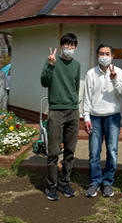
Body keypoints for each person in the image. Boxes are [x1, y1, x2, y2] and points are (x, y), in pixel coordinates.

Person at [41, 33, 81, 201]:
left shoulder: (77, 65)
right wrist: (50, 66)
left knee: (70, 151)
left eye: (72, 46)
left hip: (73, 110)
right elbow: (44, 82)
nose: (69, 49)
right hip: (56, 111)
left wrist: (75, 105)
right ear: (61, 46)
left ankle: (65, 182)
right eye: (66, 45)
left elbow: (76, 86)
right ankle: (51, 185)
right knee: (53, 151)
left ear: (76, 48)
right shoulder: (52, 61)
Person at [83, 44, 122, 198]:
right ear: (97, 56)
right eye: (101, 53)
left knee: (112, 151)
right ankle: (95, 182)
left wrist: (114, 80)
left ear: (112, 56)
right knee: (94, 152)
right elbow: (86, 97)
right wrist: (86, 117)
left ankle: (107, 182)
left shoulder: (119, 72)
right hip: (94, 117)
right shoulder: (90, 74)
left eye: (107, 53)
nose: (104, 56)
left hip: (113, 116)